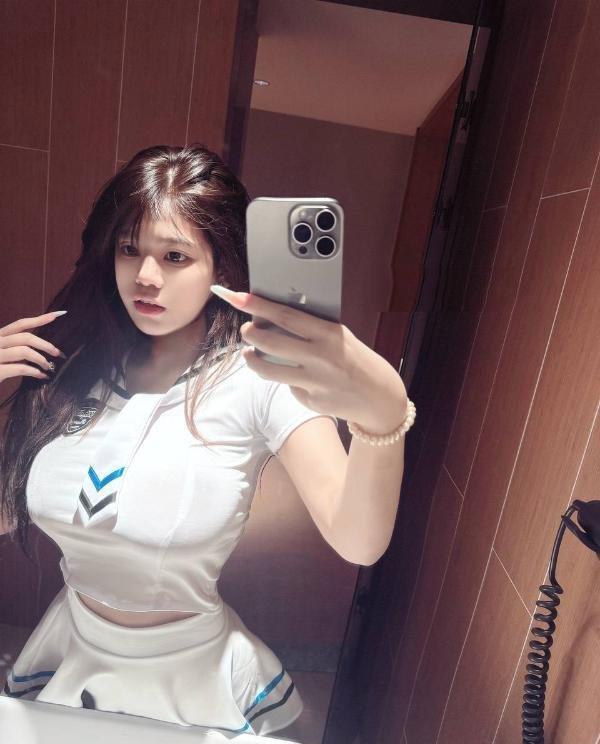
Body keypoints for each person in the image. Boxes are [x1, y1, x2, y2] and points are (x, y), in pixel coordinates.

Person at [0, 144, 413, 737]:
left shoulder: (260, 379)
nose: (145, 276)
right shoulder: (77, 364)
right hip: (71, 649)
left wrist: (383, 419)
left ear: (220, 265)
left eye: (175, 256)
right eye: (129, 249)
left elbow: (359, 542)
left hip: (192, 675)